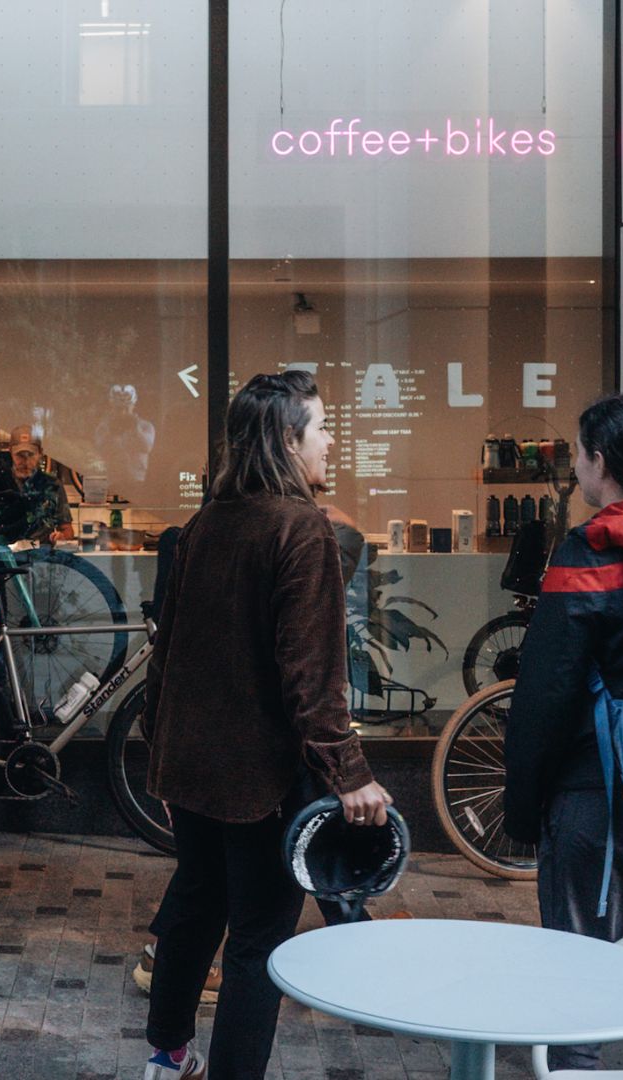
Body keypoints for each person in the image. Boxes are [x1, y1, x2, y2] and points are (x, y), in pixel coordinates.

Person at [141, 371, 391, 1080]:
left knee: (194, 905)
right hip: (260, 778)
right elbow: (311, 676)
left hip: (190, 766)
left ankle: (165, 1060)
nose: (331, 439)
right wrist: (352, 776)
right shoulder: (301, 527)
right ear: (287, 440)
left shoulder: (205, 523)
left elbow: (168, 652)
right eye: (321, 428)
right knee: (256, 941)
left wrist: (160, 753)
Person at [503, 393, 623, 1071]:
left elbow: (546, 694)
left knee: (580, 963)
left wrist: (523, 805)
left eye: (581, 454)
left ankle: (576, 1068)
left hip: (603, 797)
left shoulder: (589, 550)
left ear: (600, 461)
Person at [2, 424, 74, 543]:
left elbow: (67, 529)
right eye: (19, 455)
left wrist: (61, 536)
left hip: (41, 554)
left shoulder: (52, 486)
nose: (26, 461)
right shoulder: (1, 483)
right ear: (10, 452)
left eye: (31, 455)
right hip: (5, 553)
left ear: (40, 453)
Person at [94, 383, 155, 498]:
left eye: (126, 408)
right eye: (119, 409)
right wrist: (112, 433)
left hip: (137, 481)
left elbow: (147, 447)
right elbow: (101, 450)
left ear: (133, 405)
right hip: (114, 481)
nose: (123, 413)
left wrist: (136, 429)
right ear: (112, 407)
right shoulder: (104, 427)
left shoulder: (145, 426)